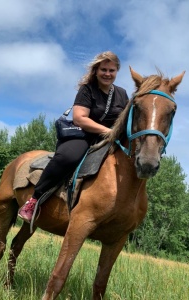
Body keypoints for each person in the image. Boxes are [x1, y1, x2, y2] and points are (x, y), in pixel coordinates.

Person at [18, 51, 129, 223]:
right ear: (96, 70)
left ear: (117, 72)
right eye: (104, 69)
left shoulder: (122, 94)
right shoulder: (87, 89)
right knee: (68, 157)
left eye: (112, 70)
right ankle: (34, 200)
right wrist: (108, 132)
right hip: (84, 135)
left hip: (110, 140)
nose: (107, 74)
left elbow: (126, 120)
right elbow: (80, 118)